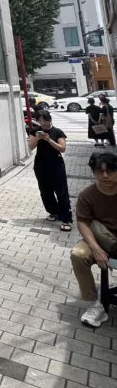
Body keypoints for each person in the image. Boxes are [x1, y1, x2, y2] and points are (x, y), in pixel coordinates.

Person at [70, 147, 117, 328]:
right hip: (100, 239)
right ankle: (95, 305)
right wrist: (96, 249)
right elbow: (82, 223)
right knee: (78, 254)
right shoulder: (87, 195)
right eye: (99, 171)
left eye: (110, 171)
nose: (105, 176)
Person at [28, 110, 72, 231]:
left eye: (44, 119)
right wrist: (37, 137)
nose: (42, 122)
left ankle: (66, 219)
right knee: (45, 190)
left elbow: (62, 149)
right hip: (41, 165)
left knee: (61, 191)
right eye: (39, 120)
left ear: (49, 119)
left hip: (56, 164)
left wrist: (48, 139)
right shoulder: (34, 131)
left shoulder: (57, 132)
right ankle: (53, 212)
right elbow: (31, 147)